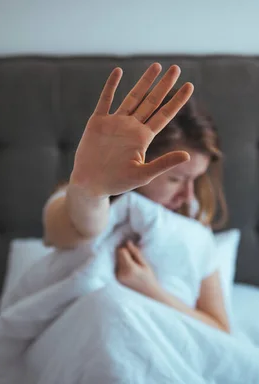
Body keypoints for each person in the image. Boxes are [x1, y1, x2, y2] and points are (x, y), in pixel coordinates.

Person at [43, 63, 230, 333]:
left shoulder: (194, 234)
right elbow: (80, 226)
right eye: (175, 179)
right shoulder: (76, 202)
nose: (188, 195)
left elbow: (220, 332)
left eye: (196, 179)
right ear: (137, 163)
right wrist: (90, 191)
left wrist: (149, 289)